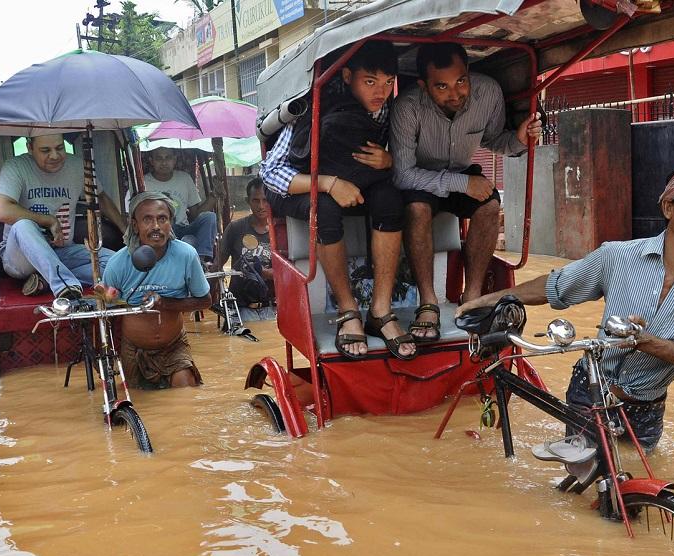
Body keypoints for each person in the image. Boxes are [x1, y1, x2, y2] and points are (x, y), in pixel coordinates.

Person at [457, 165, 674, 452]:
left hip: (647, 406)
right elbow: (556, 286)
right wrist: (487, 300)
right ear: (669, 207)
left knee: (635, 484)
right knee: (586, 476)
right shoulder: (617, 256)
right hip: (590, 390)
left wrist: (645, 342)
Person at [260, 40, 416, 361]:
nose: (380, 92)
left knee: (390, 198)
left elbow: (406, 162)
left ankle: (381, 310)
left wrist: (389, 160)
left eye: (388, 83)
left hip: (356, 182)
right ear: (347, 76)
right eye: (370, 81)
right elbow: (271, 173)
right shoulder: (310, 106)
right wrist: (329, 184)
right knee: (325, 209)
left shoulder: (388, 108)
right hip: (300, 187)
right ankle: (348, 310)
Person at [390, 42, 542, 342]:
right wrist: (462, 184)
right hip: (421, 178)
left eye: (461, 81)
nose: (455, 93)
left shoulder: (488, 92)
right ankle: (428, 302)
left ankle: (471, 297)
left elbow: (496, 140)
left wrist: (520, 139)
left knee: (489, 205)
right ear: (423, 85)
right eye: (442, 86)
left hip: (460, 172)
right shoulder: (407, 106)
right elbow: (403, 175)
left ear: (469, 73)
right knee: (417, 209)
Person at [101, 192, 212, 389]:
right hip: (133, 350)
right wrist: (107, 297)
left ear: (171, 223)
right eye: (147, 220)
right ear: (135, 225)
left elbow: (205, 301)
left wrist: (164, 303)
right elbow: (108, 305)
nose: (156, 227)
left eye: (162, 219)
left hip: (174, 346)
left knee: (186, 390)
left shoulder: (186, 255)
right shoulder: (118, 263)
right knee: (139, 402)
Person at [0, 133, 125, 298]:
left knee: (116, 264)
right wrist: (48, 220)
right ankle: (65, 285)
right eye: (45, 150)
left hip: (60, 252)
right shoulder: (16, 167)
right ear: (30, 148)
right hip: (20, 259)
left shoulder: (77, 166)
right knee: (23, 225)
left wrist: (126, 229)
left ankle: (45, 281)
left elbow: (101, 198)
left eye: (59, 148)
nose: (55, 156)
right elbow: (2, 211)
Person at [143, 147, 221, 265]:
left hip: (183, 228)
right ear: (151, 161)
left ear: (174, 160)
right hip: (158, 230)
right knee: (188, 242)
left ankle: (201, 262)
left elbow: (195, 214)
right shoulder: (143, 183)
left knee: (209, 217)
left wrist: (214, 195)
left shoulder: (184, 178)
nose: (164, 162)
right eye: (159, 158)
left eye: (168, 157)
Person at [214, 177, 276, 321]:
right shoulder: (235, 228)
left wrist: (262, 272)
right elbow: (218, 265)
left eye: (265, 200)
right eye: (256, 200)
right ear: (248, 201)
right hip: (239, 307)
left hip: (271, 306)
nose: (261, 206)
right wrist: (208, 295)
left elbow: (289, 275)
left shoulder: (280, 232)